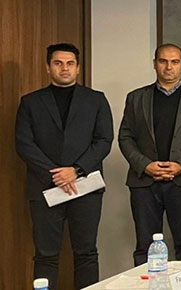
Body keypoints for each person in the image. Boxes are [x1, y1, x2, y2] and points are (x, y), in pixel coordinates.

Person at [15, 43, 113, 289]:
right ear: (48, 67)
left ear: (78, 68)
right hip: (45, 187)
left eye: (70, 63)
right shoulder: (30, 102)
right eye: (58, 63)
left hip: (85, 187)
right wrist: (55, 175)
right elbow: (24, 144)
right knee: (45, 254)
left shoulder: (96, 100)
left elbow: (104, 140)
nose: (64, 68)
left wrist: (76, 170)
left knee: (86, 253)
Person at [118, 44, 181, 265]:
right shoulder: (136, 97)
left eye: (174, 62)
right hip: (144, 182)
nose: (169, 67)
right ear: (154, 64)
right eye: (163, 61)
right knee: (145, 247)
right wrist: (145, 165)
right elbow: (125, 137)